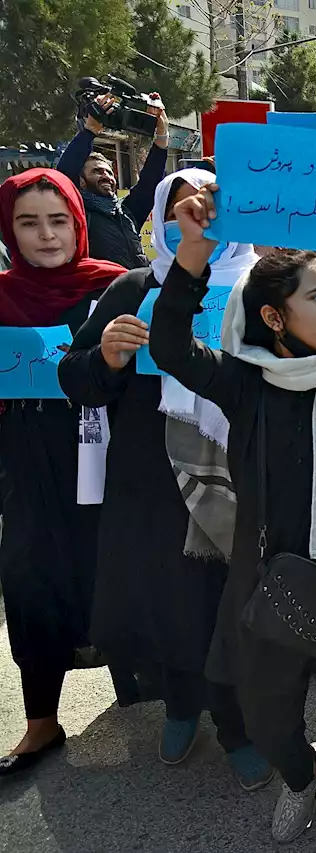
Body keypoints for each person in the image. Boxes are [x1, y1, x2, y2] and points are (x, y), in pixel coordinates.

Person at [148, 182, 316, 853]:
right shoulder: (244, 383)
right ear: (274, 317)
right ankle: (302, 776)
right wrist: (192, 255)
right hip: (265, 589)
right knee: (270, 727)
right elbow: (168, 348)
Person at [57, 169, 272, 789]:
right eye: (181, 212)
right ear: (160, 217)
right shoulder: (131, 288)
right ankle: (181, 705)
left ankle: (237, 724)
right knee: (172, 601)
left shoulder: (260, 289)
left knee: (230, 601)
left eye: (207, 210)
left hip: (237, 472)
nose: (194, 222)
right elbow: (75, 380)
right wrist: (108, 357)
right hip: (151, 480)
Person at [0, 169, 124, 776]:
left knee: (114, 566)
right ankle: (41, 722)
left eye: (58, 220)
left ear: (79, 223)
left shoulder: (114, 288)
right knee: (29, 580)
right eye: (28, 222)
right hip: (25, 460)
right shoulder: (0, 294)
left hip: (102, 450)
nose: (45, 235)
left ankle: (147, 694)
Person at [55, 94, 171, 269]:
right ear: (82, 182)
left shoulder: (127, 213)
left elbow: (150, 182)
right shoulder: (79, 216)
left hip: (139, 291)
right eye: (97, 171)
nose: (106, 176)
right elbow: (64, 175)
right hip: (100, 295)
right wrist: (90, 131)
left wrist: (162, 134)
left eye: (109, 172)